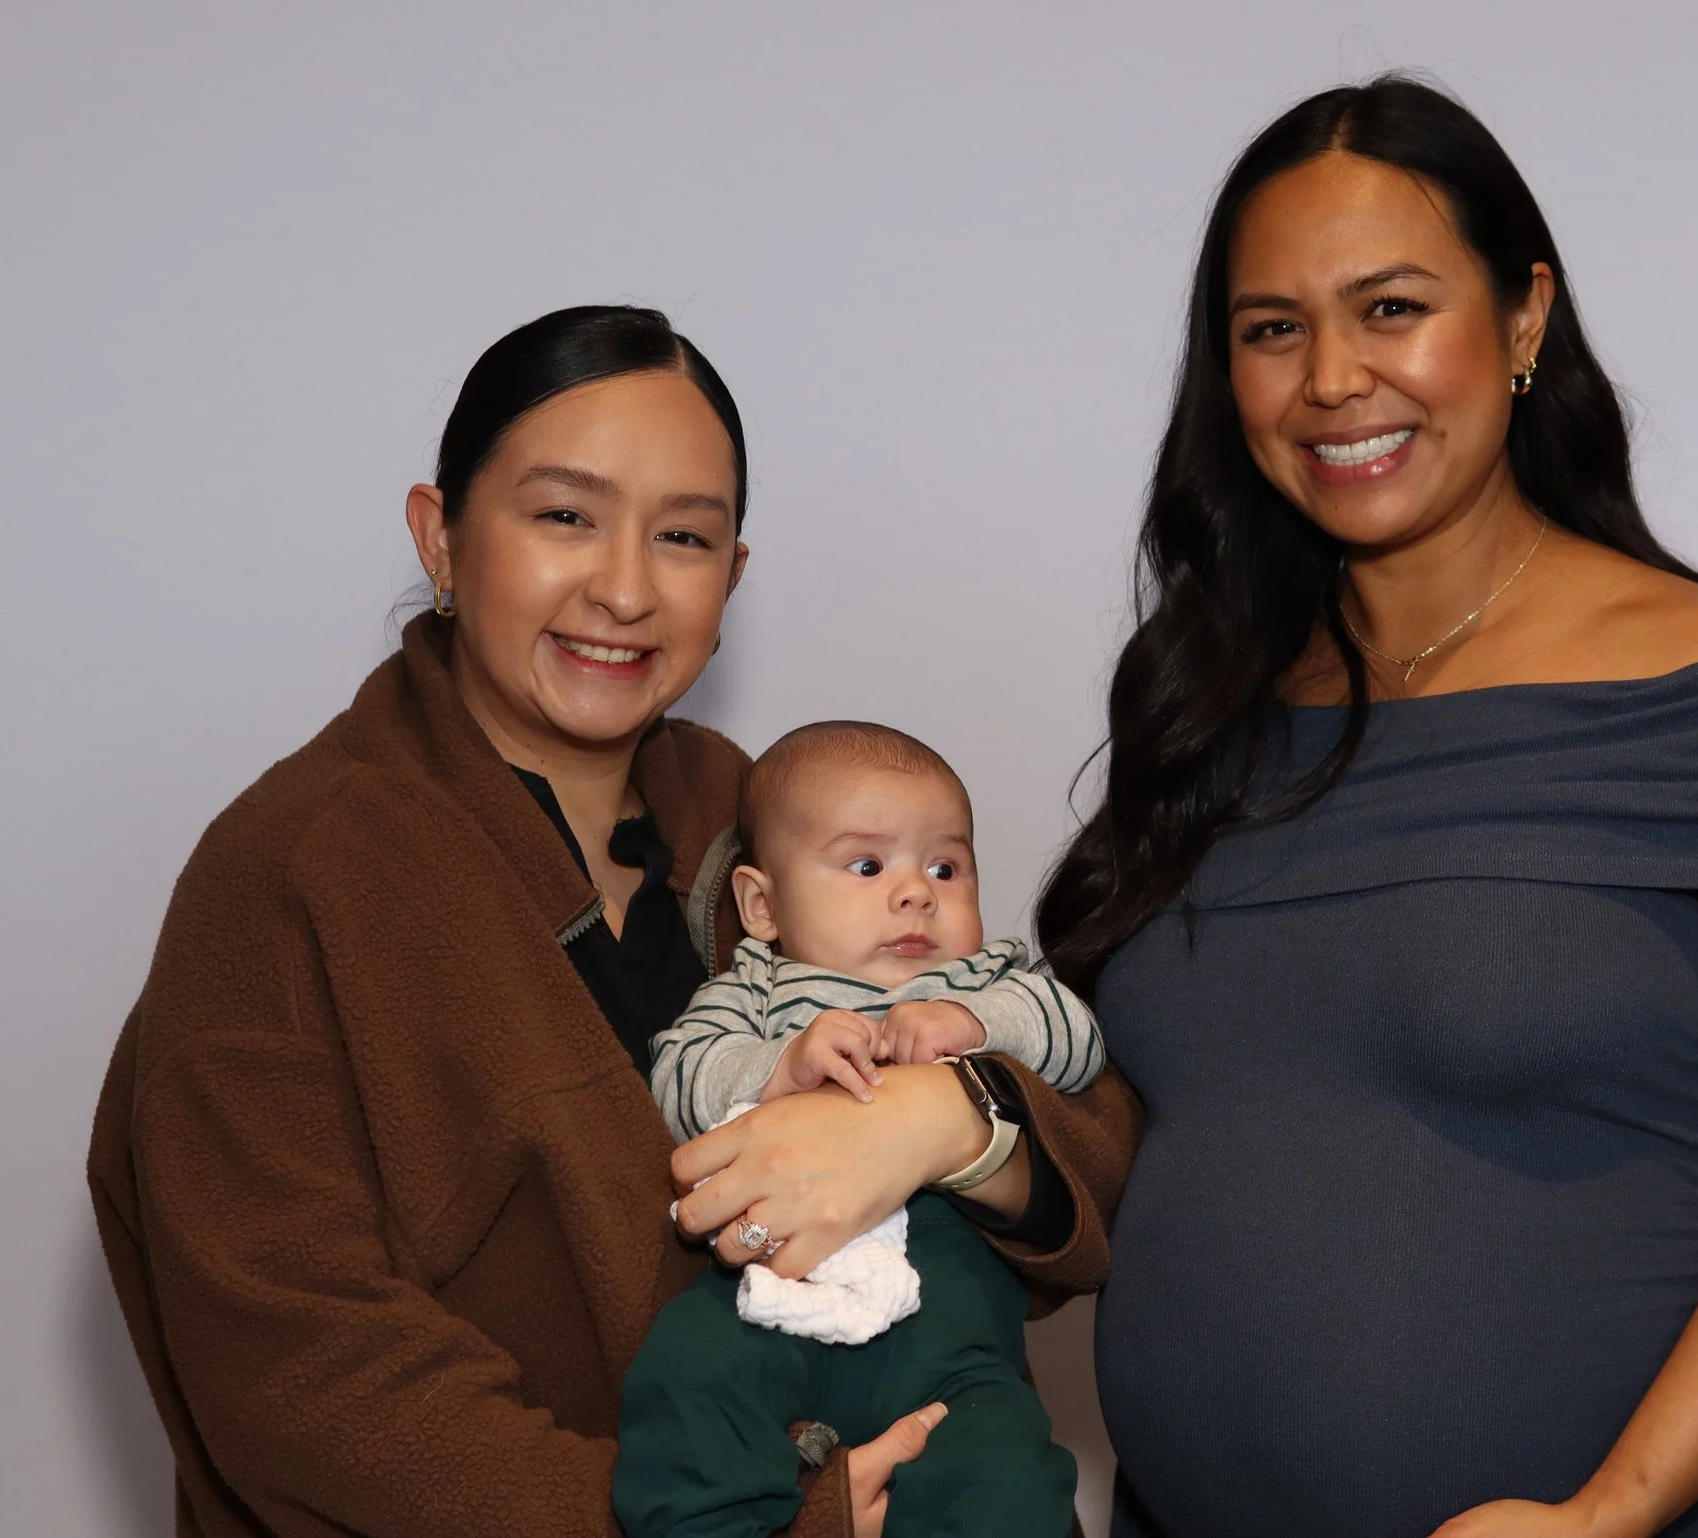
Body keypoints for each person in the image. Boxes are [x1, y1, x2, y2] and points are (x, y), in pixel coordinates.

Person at [1038, 76, 1698, 1538]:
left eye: (1391, 308)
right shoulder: (1207, 698)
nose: (1333, 378)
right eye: (1272, 328)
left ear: (1525, 320)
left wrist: (1611, 1511)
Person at [87, 305, 1138, 1538]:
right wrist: (760, 1520)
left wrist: (945, 1120)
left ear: (731, 576)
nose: (626, 588)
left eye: (683, 535)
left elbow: (1098, 1138)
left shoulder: (774, 817)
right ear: (440, 534)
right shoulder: (294, 870)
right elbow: (296, 1373)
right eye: (564, 515)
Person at [614, 720, 1104, 1537]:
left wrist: (975, 1023)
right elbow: (678, 1075)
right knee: (685, 1376)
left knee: (1009, 1471)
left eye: (945, 867)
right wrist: (779, 1066)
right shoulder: (756, 988)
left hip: (948, 1330)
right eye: (869, 865)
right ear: (762, 905)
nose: (917, 892)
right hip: (765, 1299)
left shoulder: (981, 978)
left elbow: (1077, 1035)